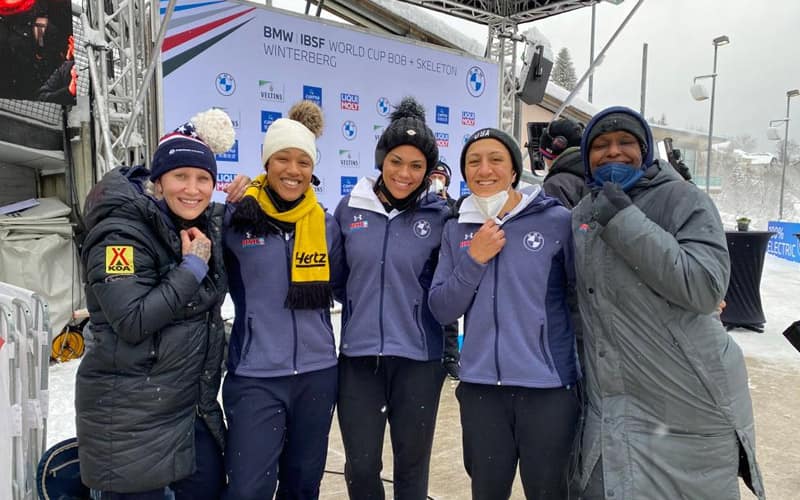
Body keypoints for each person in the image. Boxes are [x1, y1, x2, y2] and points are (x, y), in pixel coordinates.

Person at [571, 106, 764, 500]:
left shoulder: (683, 199)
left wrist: (624, 218)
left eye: (626, 143)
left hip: (688, 402)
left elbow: (705, 287)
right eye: (601, 145)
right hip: (617, 404)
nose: (613, 152)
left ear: (645, 151)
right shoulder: (581, 214)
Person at [76, 109, 248, 499]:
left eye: (203, 178)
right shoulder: (119, 232)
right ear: (158, 182)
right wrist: (191, 268)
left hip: (189, 415)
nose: (193, 189)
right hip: (131, 429)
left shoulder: (197, 225)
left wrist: (249, 197)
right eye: (180, 176)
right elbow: (133, 319)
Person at [428, 127, 580, 499]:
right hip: (482, 392)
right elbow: (442, 307)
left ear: (514, 170)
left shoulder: (557, 221)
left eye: (496, 159)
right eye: (473, 162)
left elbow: (588, 294)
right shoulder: (456, 227)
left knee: (549, 492)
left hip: (547, 390)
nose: (485, 170)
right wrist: (474, 259)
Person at [222, 100, 344, 499]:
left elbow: (345, 286)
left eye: (303, 162)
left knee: (303, 487)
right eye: (283, 159)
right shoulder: (238, 217)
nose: (293, 170)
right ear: (267, 163)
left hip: (317, 374)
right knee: (248, 490)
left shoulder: (325, 224)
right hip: (257, 376)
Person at [334, 96, 449, 499]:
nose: (405, 173)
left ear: (428, 171)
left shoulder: (440, 217)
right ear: (381, 160)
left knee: (412, 468)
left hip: (418, 360)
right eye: (396, 161)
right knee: (362, 467)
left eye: (417, 165)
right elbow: (337, 280)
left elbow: (446, 288)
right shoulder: (349, 210)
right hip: (359, 358)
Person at [427, 160, 461, 380]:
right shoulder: (419, 204)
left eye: (441, 178)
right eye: (433, 178)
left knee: (449, 314)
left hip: (447, 265)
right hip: (425, 265)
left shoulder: (454, 205)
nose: (437, 182)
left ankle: (450, 356)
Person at [540, 117, 589, 209]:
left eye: (544, 155)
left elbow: (551, 222)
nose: (544, 160)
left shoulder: (556, 185)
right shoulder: (593, 177)